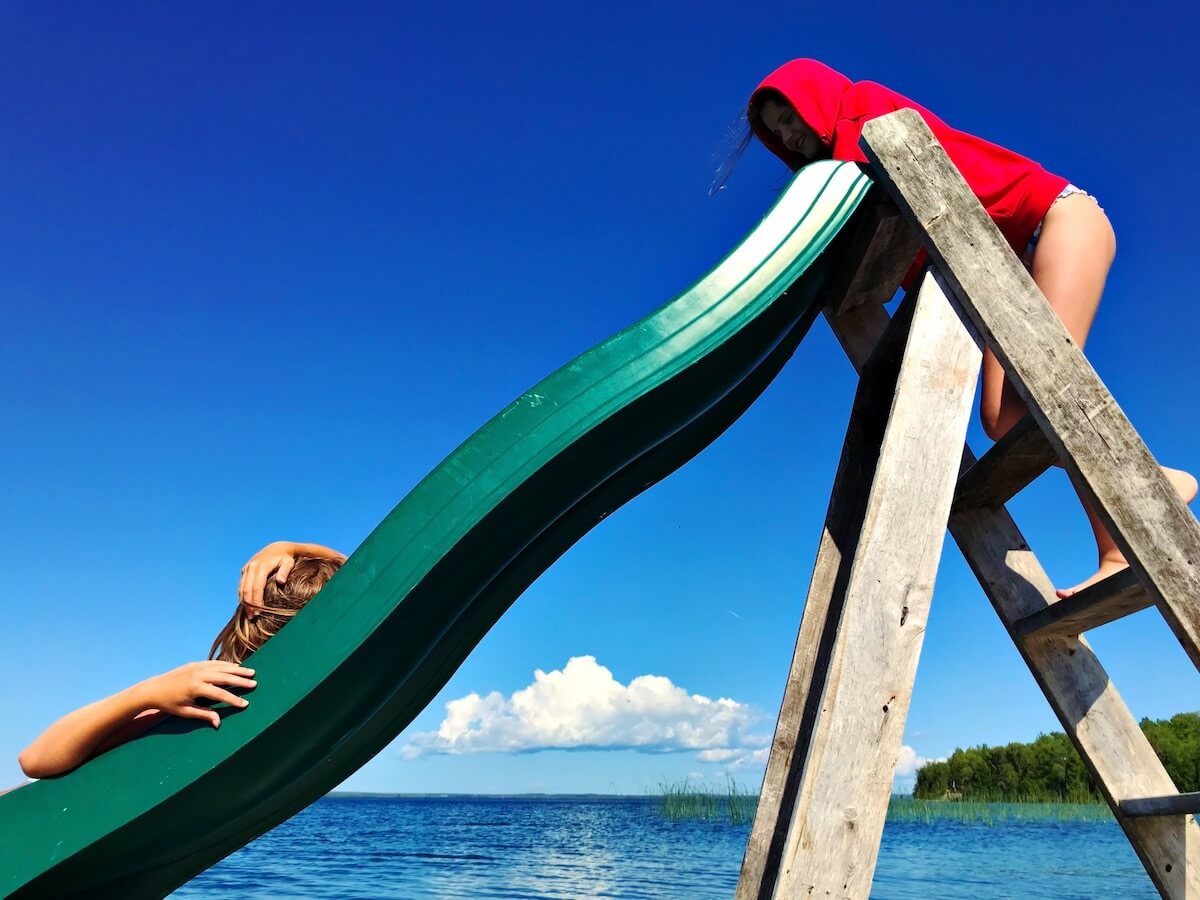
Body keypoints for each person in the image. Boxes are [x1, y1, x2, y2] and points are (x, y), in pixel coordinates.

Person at [744, 58, 1196, 598]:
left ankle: (1138, 509)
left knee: (1049, 389)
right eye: (778, 133)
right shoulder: (858, 185)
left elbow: (852, 177)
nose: (790, 137)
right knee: (1005, 419)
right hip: (1003, 275)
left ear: (813, 96)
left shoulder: (862, 113)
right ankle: (1131, 522)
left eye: (790, 117)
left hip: (1056, 221)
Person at [17, 541, 345, 780]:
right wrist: (148, 692)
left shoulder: (223, 696)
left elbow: (364, 582)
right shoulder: (212, 696)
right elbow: (35, 760)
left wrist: (283, 547)